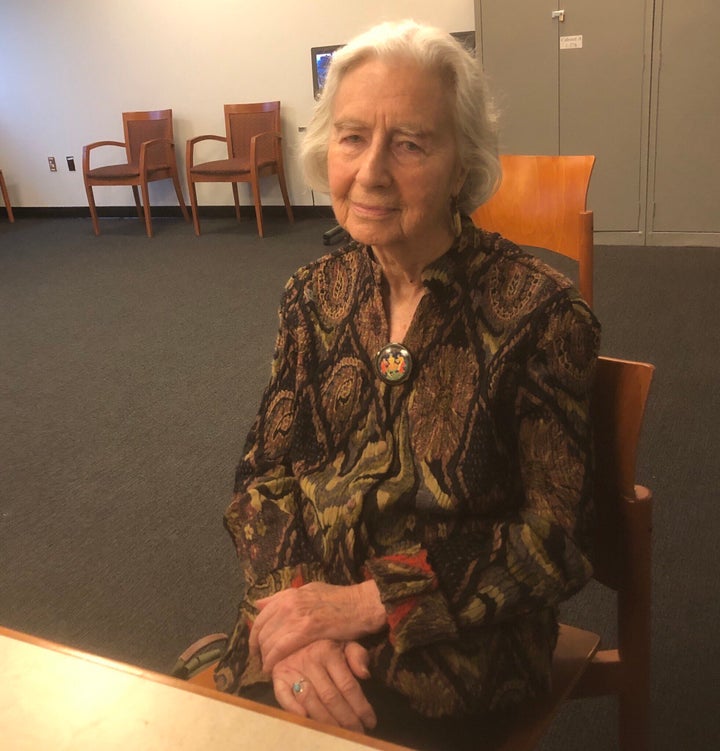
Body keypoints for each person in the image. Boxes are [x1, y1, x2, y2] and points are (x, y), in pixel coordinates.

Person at [213, 19, 600, 751]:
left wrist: (364, 604)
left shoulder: (542, 314)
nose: (371, 172)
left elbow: (557, 540)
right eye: (353, 137)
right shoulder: (312, 294)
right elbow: (261, 480)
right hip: (312, 610)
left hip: (457, 645)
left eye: (411, 143)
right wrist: (298, 622)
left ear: (463, 165)